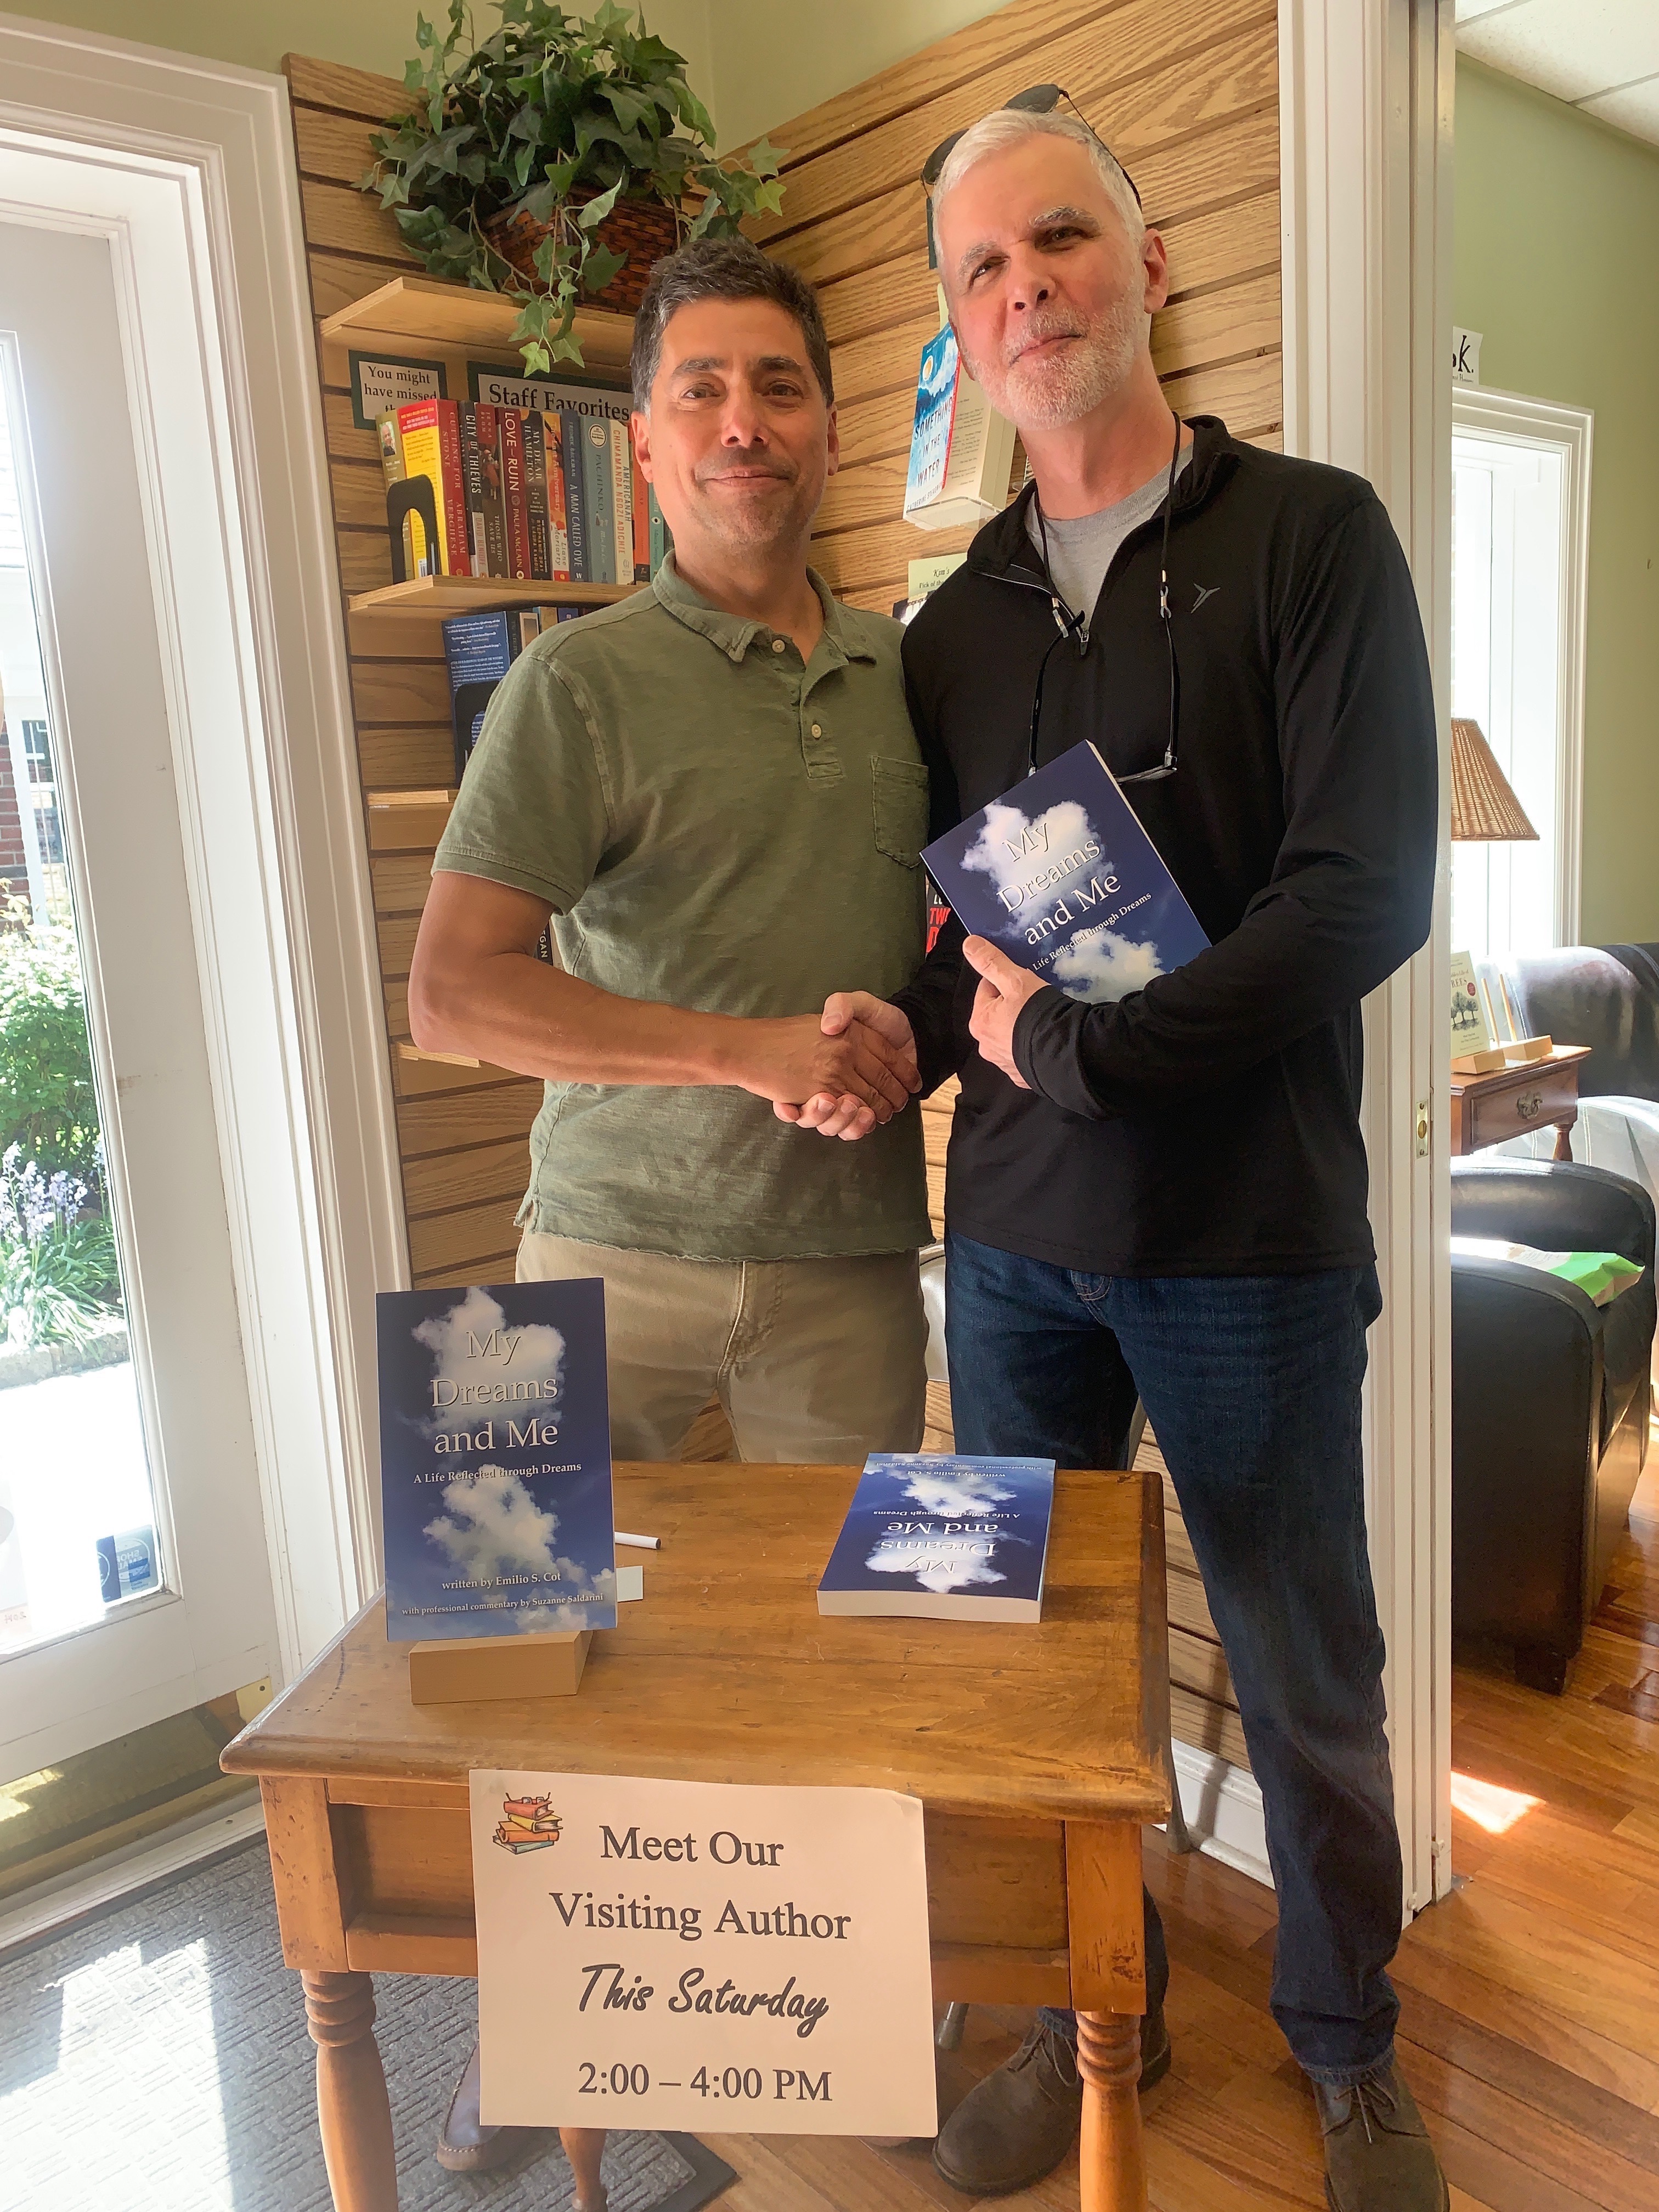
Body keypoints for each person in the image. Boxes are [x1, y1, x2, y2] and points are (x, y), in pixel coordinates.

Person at [796, 103, 1443, 2210]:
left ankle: (1349, 2055)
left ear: (1147, 266)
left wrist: (1075, 1051)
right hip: (1009, 1258)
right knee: (1037, 1677)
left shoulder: (1317, 538)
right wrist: (883, 1026)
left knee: (1299, 1667)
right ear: (964, 334)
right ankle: (1111, 2010)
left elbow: (1359, 900)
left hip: (1249, 1247)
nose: (1025, 288)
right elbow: (939, 919)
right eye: (982, 271)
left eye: (1059, 239)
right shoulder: (948, 624)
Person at [407, 234, 934, 2185]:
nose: (742, 422)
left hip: (850, 1270)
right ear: (646, 446)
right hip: (590, 1256)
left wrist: (898, 1025)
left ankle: (809, 2033)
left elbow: (946, 950)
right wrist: (739, 1048)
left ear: (825, 422)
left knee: (850, 1664)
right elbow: (453, 995)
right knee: (518, 1650)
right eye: (702, 388)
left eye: (777, 385)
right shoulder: (571, 685)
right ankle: (532, 2031)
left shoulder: (914, 671)